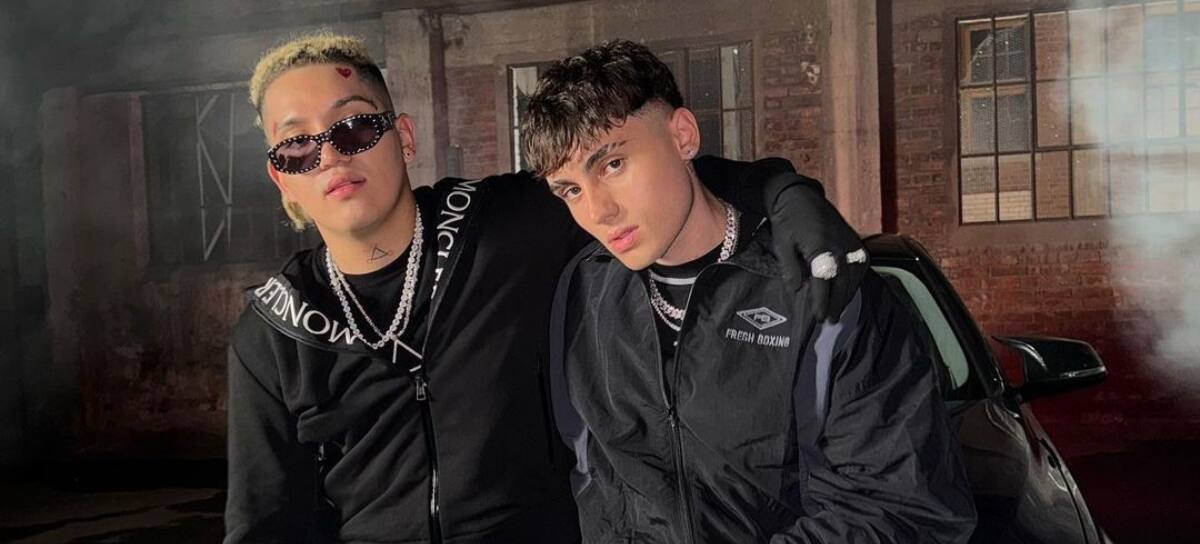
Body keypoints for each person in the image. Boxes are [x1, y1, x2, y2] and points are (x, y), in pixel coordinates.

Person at [224, 33, 865, 543]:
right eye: (297, 145)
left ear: (405, 136)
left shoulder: (505, 224)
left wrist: (783, 194)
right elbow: (267, 524)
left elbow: (647, 172)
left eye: (354, 126)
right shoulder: (274, 330)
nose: (331, 155)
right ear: (281, 176)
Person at [526, 40, 977, 543]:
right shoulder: (584, 291)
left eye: (613, 165)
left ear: (682, 136)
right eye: (571, 190)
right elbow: (592, 478)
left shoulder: (820, 290)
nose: (598, 211)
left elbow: (902, 509)